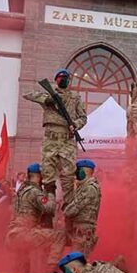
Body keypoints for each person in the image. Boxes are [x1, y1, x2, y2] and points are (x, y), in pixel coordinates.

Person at [22, 69, 87, 197]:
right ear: (56, 81)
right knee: (48, 176)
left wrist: (76, 125)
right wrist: (46, 100)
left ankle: (68, 209)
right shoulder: (49, 96)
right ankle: (49, 209)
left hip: (67, 140)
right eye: (60, 78)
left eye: (65, 78)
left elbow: (83, 118)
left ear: (69, 81)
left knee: (68, 177)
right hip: (50, 141)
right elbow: (27, 94)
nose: (63, 80)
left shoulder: (75, 98)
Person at [5, 164, 67, 271]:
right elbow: (50, 208)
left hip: (13, 235)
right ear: (38, 176)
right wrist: (50, 192)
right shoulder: (35, 192)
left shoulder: (21, 192)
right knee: (59, 236)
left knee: (23, 263)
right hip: (24, 233)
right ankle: (51, 271)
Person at [62, 159, 100, 255]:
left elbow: (73, 209)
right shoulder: (84, 186)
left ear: (84, 171)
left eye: (78, 171)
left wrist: (65, 210)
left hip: (83, 231)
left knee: (78, 263)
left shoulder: (89, 188)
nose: (76, 175)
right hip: (80, 229)